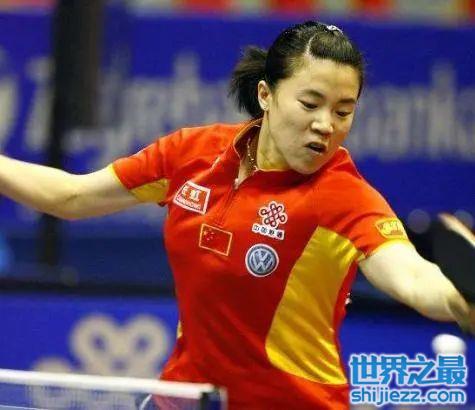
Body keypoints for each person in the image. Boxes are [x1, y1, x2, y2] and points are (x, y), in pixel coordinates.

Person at [0, 21, 473, 410]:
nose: (326, 124)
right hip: (188, 399)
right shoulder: (192, 154)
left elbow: (412, 277)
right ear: (266, 95)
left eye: (343, 112)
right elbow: (71, 197)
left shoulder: (345, 198)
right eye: (310, 104)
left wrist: (459, 301)